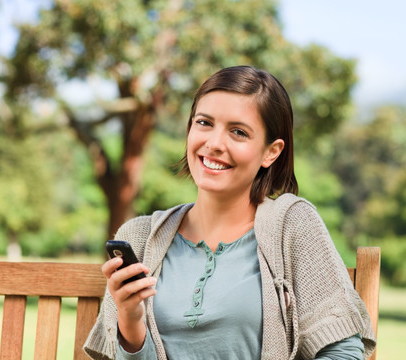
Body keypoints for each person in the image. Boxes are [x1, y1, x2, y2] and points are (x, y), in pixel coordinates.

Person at [84, 65, 376, 360]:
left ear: (270, 152)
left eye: (238, 132)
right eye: (204, 122)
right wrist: (131, 323)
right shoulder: (140, 237)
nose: (214, 144)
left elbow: (343, 352)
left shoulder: (292, 225)